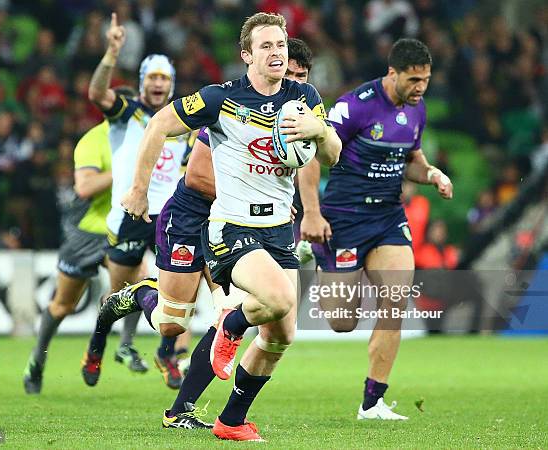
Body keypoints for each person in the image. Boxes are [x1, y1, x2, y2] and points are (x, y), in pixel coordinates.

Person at [122, 13, 341, 441]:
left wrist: (320, 129)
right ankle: (232, 326)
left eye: (280, 45)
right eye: (266, 46)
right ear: (246, 55)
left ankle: (231, 420)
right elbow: (158, 125)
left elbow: (332, 154)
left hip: (280, 231)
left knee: (281, 336)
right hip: (231, 227)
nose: (276, 53)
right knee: (276, 299)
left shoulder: (305, 97)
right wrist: (138, 190)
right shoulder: (221, 99)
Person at [299, 38, 453, 420]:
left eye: (426, 80)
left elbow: (411, 160)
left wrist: (432, 174)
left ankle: (373, 402)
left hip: (387, 217)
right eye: (413, 80)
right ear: (393, 73)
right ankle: (318, 257)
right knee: (341, 321)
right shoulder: (355, 105)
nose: (420, 87)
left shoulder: (418, 110)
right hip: (344, 219)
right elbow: (316, 152)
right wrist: (312, 213)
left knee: (396, 298)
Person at [81, 13, 190, 389]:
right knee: (118, 294)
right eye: (152, 77)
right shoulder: (127, 112)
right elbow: (97, 94)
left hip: (167, 216)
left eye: (164, 78)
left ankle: (167, 353)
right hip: (129, 213)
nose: (158, 84)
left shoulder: (182, 122)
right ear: (142, 81)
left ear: (171, 84)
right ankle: (96, 347)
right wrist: (111, 53)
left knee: (176, 291)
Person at [22, 94, 118, 394]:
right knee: (62, 305)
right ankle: (37, 360)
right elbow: (85, 187)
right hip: (85, 236)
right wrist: (126, 170)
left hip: (121, 232)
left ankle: (107, 349)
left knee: (138, 283)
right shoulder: (93, 140)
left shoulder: (150, 138)